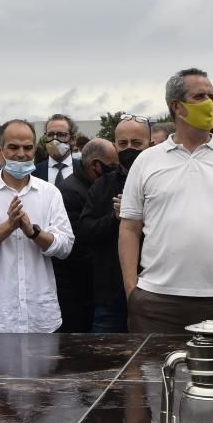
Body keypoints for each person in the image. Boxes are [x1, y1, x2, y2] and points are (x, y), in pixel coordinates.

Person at [119, 68, 213, 333]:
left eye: (212, 95)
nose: (210, 103)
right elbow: (130, 227)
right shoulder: (146, 161)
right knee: (154, 374)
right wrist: (133, 291)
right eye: (200, 96)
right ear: (177, 106)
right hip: (157, 302)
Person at [0, 119, 75, 333]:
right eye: (13, 147)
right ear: (1, 149)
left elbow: (65, 246)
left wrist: (33, 232)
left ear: (35, 149)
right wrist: (9, 226)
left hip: (41, 316)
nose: (21, 154)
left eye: (27, 147)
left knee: (45, 368)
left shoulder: (49, 193)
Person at [78, 118, 149, 332]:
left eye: (137, 143)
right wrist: (116, 217)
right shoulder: (102, 185)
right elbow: (85, 231)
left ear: (150, 144)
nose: (129, 149)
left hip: (156, 294)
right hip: (110, 296)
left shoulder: (165, 181)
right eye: (123, 144)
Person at [54, 137, 116, 332]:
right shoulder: (70, 192)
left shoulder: (95, 186)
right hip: (77, 290)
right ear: (95, 165)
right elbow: (77, 245)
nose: (115, 171)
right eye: (112, 166)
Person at [34, 113, 77, 185]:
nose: (54, 139)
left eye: (61, 134)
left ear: (72, 140)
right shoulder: (34, 172)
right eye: (50, 135)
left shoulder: (85, 170)